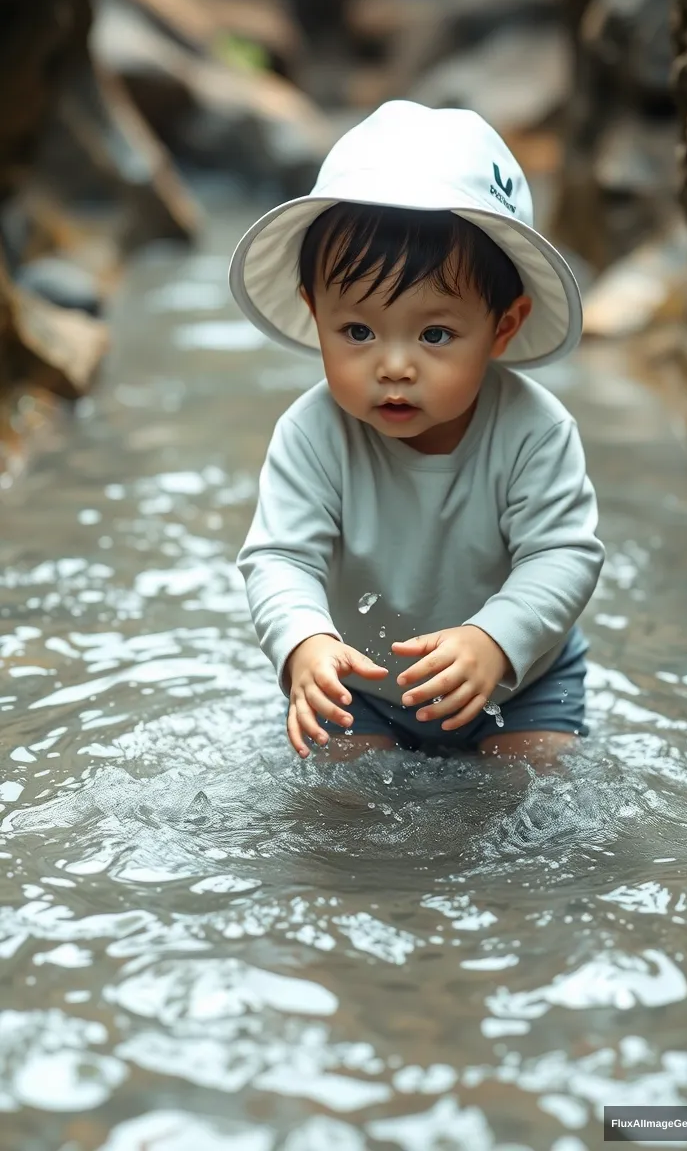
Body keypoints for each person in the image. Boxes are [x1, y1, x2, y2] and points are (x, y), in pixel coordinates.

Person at [229, 100, 604, 764]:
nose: (394, 365)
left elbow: (564, 555)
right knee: (345, 797)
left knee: (540, 785)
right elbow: (281, 558)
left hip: (519, 680)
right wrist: (305, 643)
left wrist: (495, 640)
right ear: (315, 314)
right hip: (365, 683)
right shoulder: (312, 435)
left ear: (504, 326)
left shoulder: (535, 432)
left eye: (435, 334)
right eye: (358, 331)